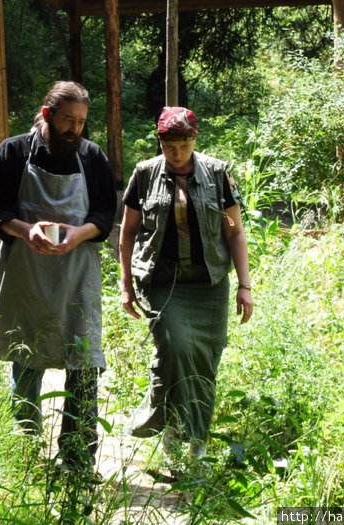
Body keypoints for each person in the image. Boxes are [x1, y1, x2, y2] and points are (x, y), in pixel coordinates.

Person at [0, 81, 117, 469]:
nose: (75, 130)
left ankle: (76, 458)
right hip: (27, 277)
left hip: (77, 276)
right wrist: (27, 231)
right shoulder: (13, 152)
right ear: (47, 115)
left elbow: (106, 213)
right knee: (25, 359)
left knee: (85, 361)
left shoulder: (92, 157)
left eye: (81, 122)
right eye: (68, 120)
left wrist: (80, 234)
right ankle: (24, 450)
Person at [119, 106, 253, 458]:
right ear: (160, 141)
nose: (175, 153)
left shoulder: (218, 173)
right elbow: (128, 232)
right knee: (175, 351)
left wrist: (245, 285)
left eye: (182, 145)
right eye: (168, 145)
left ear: (194, 138)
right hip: (162, 283)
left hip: (208, 285)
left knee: (205, 362)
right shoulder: (145, 174)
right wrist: (125, 284)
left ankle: (195, 445)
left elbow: (236, 232)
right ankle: (167, 428)